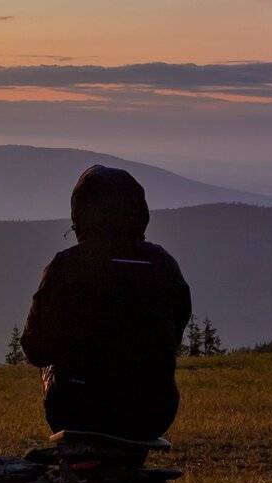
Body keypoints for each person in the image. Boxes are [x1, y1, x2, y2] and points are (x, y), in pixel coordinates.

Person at [20, 165, 192, 441]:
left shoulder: (67, 266)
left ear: (80, 213)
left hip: (77, 411)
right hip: (153, 412)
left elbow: (35, 349)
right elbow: (174, 334)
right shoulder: (164, 265)